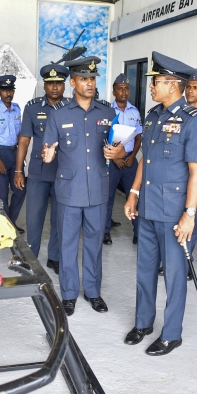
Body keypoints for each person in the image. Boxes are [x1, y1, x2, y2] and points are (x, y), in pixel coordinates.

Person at [123, 52, 197, 356]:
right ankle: (143, 323)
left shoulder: (194, 121)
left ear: (173, 85)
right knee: (145, 271)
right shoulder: (152, 116)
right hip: (147, 208)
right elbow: (145, 159)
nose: (151, 86)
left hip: (174, 213)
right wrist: (133, 193)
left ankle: (172, 334)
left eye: (156, 81)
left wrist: (190, 214)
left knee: (174, 275)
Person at [42, 56, 125, 316]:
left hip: (98, 191)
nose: (89, 83)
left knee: (94, 244)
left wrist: (118, 153)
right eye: (83, 79)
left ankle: (93, 291)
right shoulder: (58, 115)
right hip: (69, 192)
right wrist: (48, 155)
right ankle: (68, 294)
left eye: (92, 78)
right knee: (67, 245)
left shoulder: (108, 113)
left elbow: (119, 149)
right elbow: (48, 149)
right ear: (73, 83)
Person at [157, 69, 197, 279]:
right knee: (171, 218)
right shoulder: (174, 112)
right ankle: (168, 261)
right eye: (189, 87)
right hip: (175, 174)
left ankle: (186, 264)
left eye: (196, 88)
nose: (191, 91)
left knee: (191, 217)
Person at [15, 64, 70, 274]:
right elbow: (24, 140)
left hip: (64, 172)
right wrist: (18, 171)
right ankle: (31, 258)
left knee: (60, 218)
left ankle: (54, 257)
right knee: (34, 218)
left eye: (59, 83)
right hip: (38, 172)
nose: (55, 87)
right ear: (44, 85)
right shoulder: (32, 107)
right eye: (50, 83)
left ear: (65, 85)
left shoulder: (71, 108)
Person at [103, 73, 142, 246]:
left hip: (129, 161)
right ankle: (105, 232)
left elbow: (138, 137)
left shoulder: (135, 112)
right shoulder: (107, 111)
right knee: (107, 197)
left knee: (135, 195)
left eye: (126, 88)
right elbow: (103, 138)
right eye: (120, 89)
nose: (124, 92)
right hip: (111, 162)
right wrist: (114, 158)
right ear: (114, 92)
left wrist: (132, 157)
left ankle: (138, 233)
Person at [0, 75, 26, 233]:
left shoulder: (17, 108)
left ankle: (11, 223)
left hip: (15, 153)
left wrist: (21, 156)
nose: (8, 93)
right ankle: (5, 227)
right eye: (4, 90)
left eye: (10, 90)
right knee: (2, 193)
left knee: (20, 189)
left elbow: (20, 133)